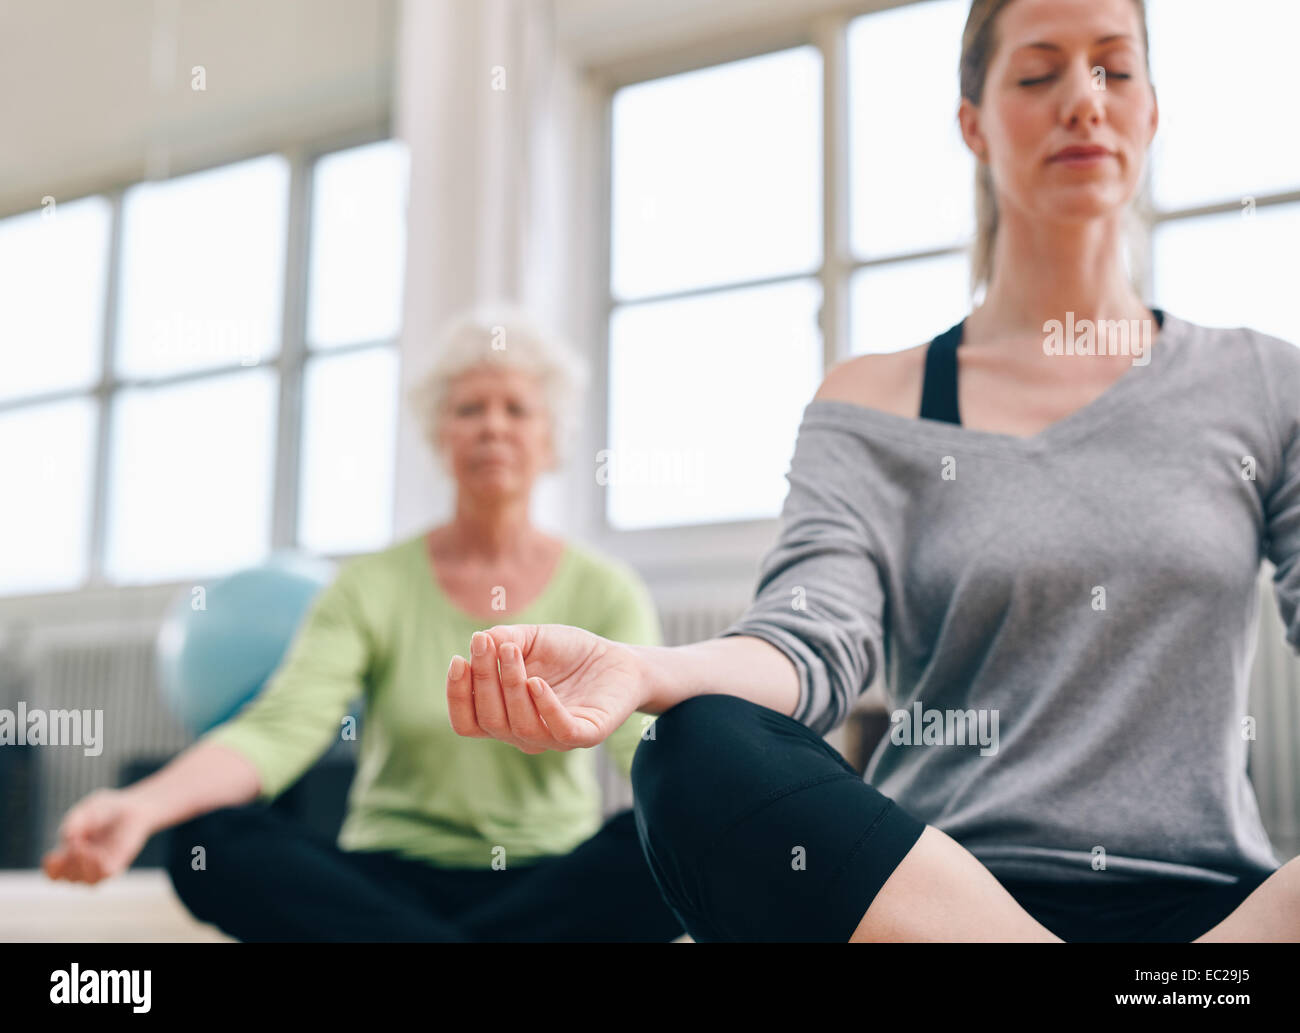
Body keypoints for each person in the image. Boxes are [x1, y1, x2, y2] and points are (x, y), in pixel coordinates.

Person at [443, 0, 1300, 942]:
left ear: (1151, 110)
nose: (1084, 101)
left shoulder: (1263, 383)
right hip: (926, 906)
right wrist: (644, 668)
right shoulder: (874, 400)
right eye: (1038, 72)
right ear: (973, 122)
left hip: (1215, 914)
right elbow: (810, 642)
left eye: (1115, 68)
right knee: (695, 744)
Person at [42, 307, 684, 943]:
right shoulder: (369, 586)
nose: (492, 426)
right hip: (385, 884)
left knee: (672, 843)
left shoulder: (606, 590)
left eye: (516, 409)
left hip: (546, 885)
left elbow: (648, 751)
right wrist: (141, 807)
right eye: (469, 410)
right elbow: (280, 728)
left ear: (550, 440)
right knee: (210, 840)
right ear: (441, 434)